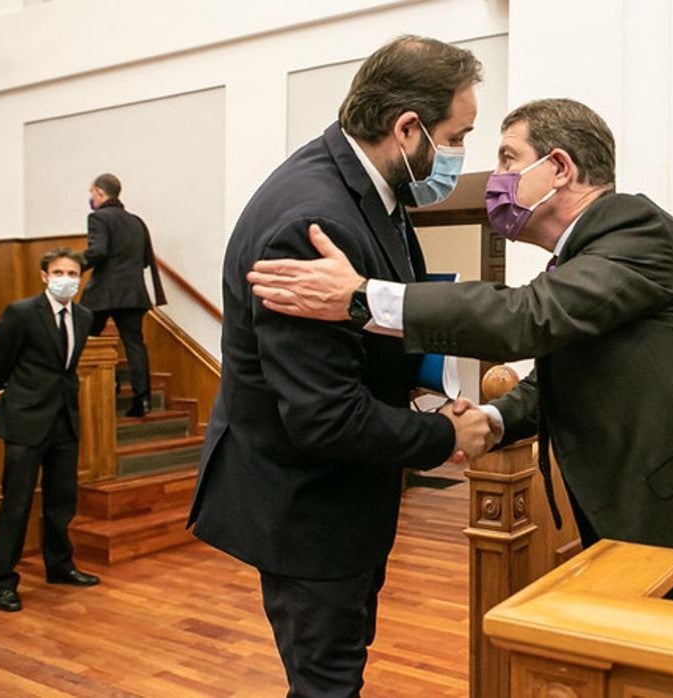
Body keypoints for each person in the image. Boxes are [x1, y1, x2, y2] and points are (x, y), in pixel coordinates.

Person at [248, 99, 673, 621]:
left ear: (558, 167)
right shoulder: (583, 259)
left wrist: (361, 297)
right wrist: (494, 421)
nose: (494, 179)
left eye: (507, 159)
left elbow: (526, 319)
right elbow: (563, 368)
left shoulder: (634, 226)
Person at [185, 36, 494, 697]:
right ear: (406, 127)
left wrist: (417, 386)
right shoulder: (311, 221)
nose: (459, 153)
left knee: (338, 667)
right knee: (327, 684)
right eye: (457, 135)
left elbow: (369, 328)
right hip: (308, 513)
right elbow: (324, 417)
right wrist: (447, 437)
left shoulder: (368, 189)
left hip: (346, 500)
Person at [0, 248, 101, 613]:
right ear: (44, 275)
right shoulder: (20, 313)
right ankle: (3, 581)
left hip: (64, 421)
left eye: (73, 272)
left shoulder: (83, 316)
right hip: (25, 421)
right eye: (58, 271)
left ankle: (60, 566)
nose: (66, 278)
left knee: (61, 501)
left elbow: (66, 370)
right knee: (16, 504)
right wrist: (7, 405)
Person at [81, 173, 166, 417]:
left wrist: (74, 264)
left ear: (99, 192)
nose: (91, 199)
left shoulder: (98, 217)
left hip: (104, 293)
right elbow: (146, 261)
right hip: (133, 293)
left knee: (86, 339)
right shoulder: (136, 221)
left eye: (92, 194)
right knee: (134, 345)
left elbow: (97, 252)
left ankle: (106, 386)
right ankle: (143, 400)